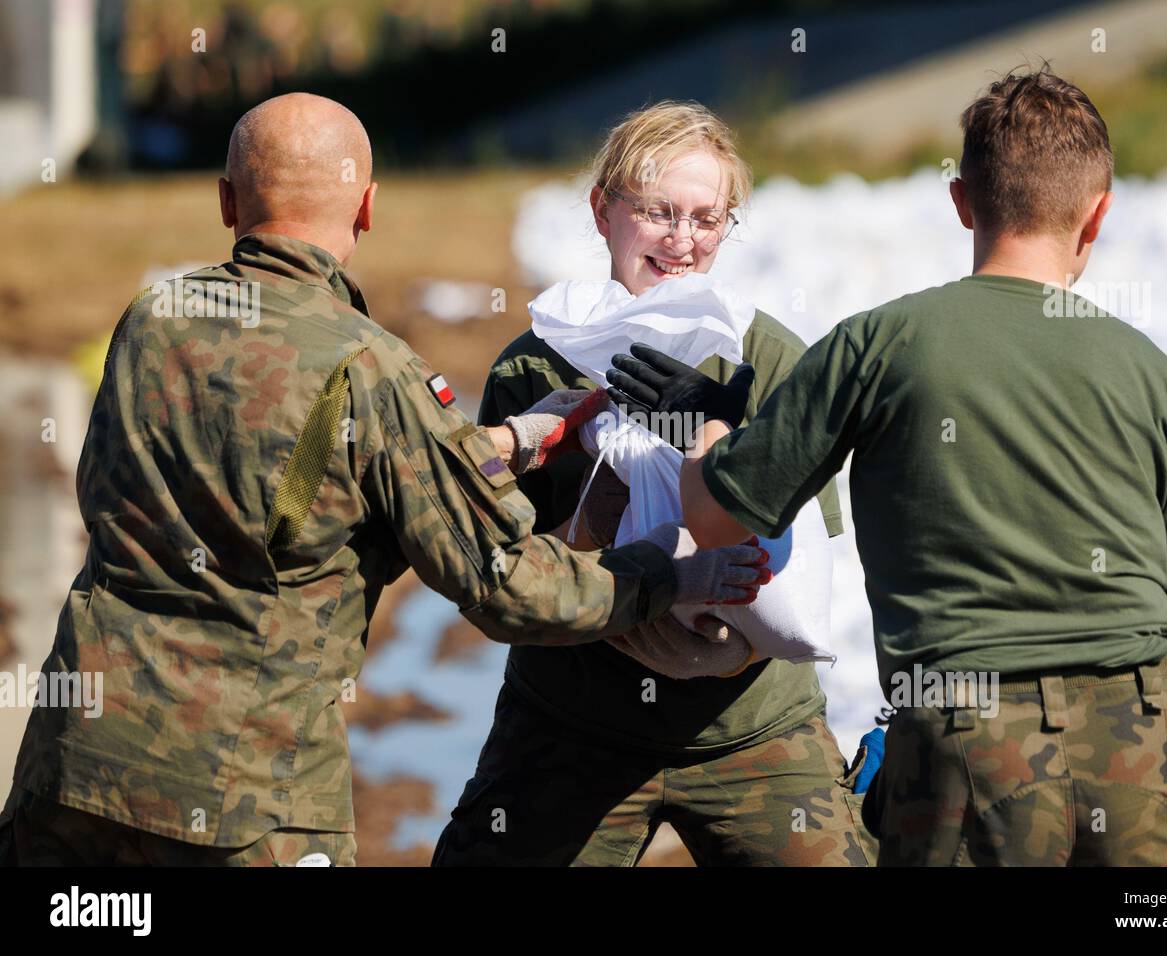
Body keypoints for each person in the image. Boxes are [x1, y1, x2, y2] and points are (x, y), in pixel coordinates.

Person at [0, 93, 765, 867]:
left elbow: (125, 491)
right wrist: (668, 574)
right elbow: (510, 588)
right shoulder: (370, 367)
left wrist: (505, 443)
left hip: (72, 773)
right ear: (367, 208)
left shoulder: (151, 318)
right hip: (248, 796)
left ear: (226, 201)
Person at [616, 69, 1167, 866]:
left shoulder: (878, 345)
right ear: (1099, 213)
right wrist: (1160, 721)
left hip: (966, 747)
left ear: (961, 202)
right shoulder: (1149, 371)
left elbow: (713, 518)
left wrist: (708, 421)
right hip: (1149, 740)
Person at [433, 101, 871, 867]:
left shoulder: (765, 358)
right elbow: (502, 570)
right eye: (659, 212)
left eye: (708, 218)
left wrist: (715, 436)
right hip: (573, 718)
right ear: (604, 212)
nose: (683, 241)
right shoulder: (536, 365)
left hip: (751, 726)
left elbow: (803, 559)